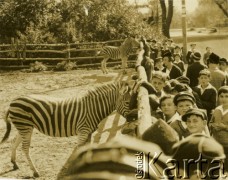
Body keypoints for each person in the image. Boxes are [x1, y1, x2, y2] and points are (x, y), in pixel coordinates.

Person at [210, 86, 228, 172]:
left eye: (226, 96)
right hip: (217, 142)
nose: (224, 99)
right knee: (216, 167)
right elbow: (210, 122)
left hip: (227, 143)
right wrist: (213, 126)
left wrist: (224, 127)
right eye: (221, 96)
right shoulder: (217, 109)